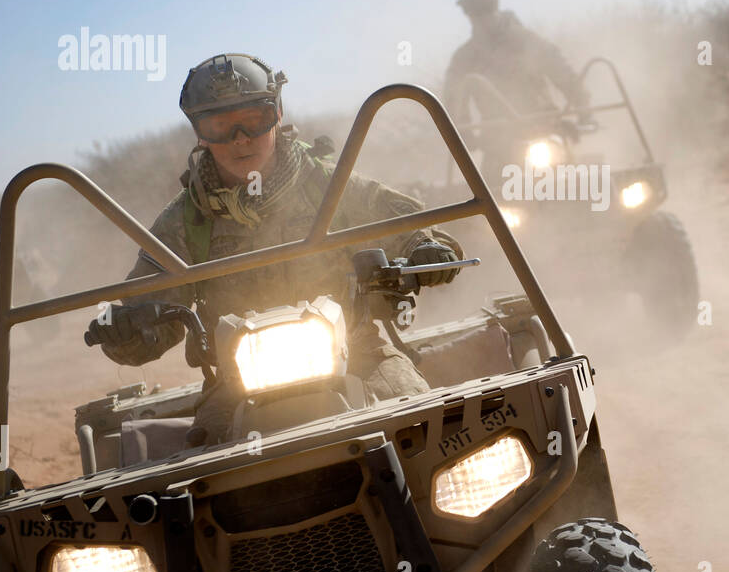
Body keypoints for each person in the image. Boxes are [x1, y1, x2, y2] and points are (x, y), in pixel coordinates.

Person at [84, 53, 463, 444]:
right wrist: (127, 328)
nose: (240, 139)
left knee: (421, 425)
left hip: (360, 354)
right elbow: (152, 315)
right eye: (219, 125)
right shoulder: (184, 220)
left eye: (253, 119)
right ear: (199, 132)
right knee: (210, 468)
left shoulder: (330, 183)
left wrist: (427, 249)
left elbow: (406, 224)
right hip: (236, 382)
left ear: (277, 113)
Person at [443, 0, 591, 127]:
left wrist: (583, 107)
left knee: (566, 145)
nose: (480, 18)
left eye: (484, 10)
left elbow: (562, 71)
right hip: (496, 135)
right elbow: (453, 96)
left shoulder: (528, 42)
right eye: (472, 12)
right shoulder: (465, 57)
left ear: (494, 6)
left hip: (545, 123)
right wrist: (462, 133)